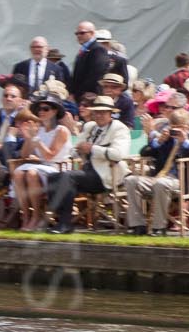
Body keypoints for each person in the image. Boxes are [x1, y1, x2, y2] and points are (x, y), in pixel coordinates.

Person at [43, 97, 133, 233]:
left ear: (111, 113)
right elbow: (73, 150)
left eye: (103, 112)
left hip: (107, 175)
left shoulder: (119, 129)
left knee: (68, 177)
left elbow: (119, 154)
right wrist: (78, 150)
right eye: (96, 112)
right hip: (87, 171)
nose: (99, 115)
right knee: (53, 177)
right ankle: (60, 219)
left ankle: (65, 223)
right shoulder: (90, 127)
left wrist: (92, 149)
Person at [122, 109, 189, 235]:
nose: (176, 131)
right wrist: (157, 142)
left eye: (179, 128)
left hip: (181, 181)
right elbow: (144, 153)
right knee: (130, 180)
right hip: (159, 177)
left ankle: (159, 227)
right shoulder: (166, 140)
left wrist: (186, 142)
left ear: (187, 127)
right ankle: (137, 224)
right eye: (173, 128)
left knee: (161, 184)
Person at [9, 99, 72, 230]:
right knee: (19, 173)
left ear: (54, 111)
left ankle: (36, 216)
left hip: (58, 169)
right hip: (41, 167)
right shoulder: (39, 130)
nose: (41, 112)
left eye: (46, 109)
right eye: (39, 109)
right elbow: (24, 155)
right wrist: (28, 137)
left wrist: (36, 139)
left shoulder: (62, 130)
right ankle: (26, 216)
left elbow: (50, 155)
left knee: (31, 173)